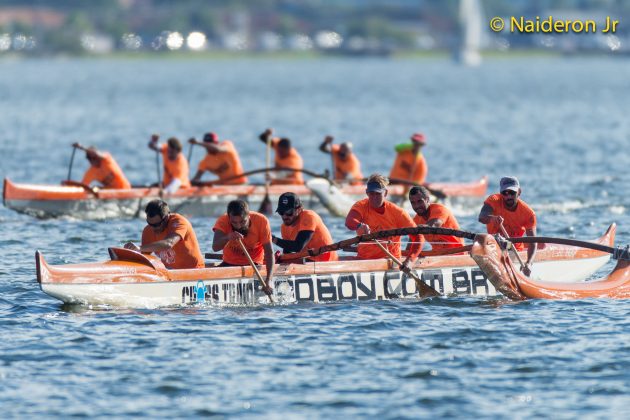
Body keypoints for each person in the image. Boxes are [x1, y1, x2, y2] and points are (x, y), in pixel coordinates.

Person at [345, 173, 423, 266]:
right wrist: (359, 225)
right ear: (366, 192)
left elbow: (418, 237)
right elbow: (349, 222)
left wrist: (410, 260)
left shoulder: (397, 212)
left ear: (385, 193)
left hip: (391, 263)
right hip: (365, 260)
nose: (374, 198)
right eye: (371, 193)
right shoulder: (361, 206)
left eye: (378, 194)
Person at [478, 176, 537, 276]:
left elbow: (533, 242)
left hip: (514, 250)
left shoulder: (528, 213)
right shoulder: (493, 200)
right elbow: (481, 217)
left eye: (512, 193)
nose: (508, 196)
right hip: (495, 247)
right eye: (505, 193)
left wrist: (529, 263)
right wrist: (492, 218)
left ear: (519, 192)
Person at [212, 200, 274, 292]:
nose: (238, 226)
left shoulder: (261, 221)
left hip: (254, 265)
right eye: (234, 223)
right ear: (229, 218)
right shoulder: (223, 220)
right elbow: (215, 247)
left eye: (242, 222)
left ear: (249, 217)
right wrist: (227, 238)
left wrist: (268, 280)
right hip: (229, 264)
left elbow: (269, 253)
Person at [124, 199, 204, 269]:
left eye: (156, 225)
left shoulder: (179, 222)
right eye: (149, 223)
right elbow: (144, 258)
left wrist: (139, 247)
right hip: (169, 272)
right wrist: (129, 254)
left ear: (166, 218)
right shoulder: (148, 230)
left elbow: (169, 243)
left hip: (194, 270)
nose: (153, 228)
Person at [272, 192, 338, 262]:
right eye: (281, 212)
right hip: (307, 260)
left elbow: (298, 247)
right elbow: (287, 253)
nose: (284, 216)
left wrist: (273, 239)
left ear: (299, 209)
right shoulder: (284, 227)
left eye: (289, 212)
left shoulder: (309, 216)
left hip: (326, 262)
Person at [408, 185, 464, 250]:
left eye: (420, 201)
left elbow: (434, 225)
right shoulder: (416, 220)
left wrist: (418, 228)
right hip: (437, 254)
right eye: (413, 203)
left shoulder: (440, 209)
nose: (417, 206)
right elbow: (410, 247)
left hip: (457, 253)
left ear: (427, 199)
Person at [63, 143, 131, 190]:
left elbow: (95, 153)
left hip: (125, 190)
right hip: (110, 194)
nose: (92, 160)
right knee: (95, 188)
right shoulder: (91, 172)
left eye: (94, 158)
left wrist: (81, 147)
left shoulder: (107, 159)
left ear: (97, 156)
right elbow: (83, 186)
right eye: (89, 158)